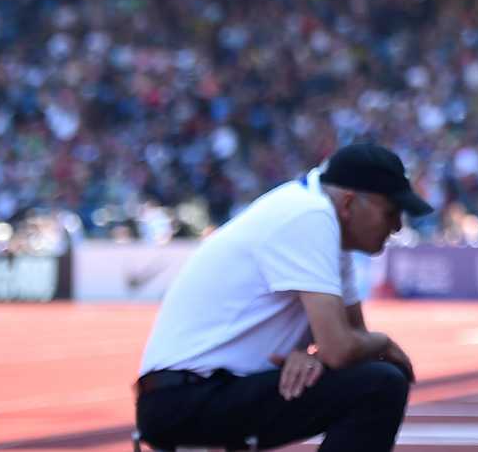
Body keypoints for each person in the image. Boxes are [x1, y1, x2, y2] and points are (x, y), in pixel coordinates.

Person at [134, 144, 431, 452]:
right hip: (186, 400)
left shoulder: (324, 218)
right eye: (391, 212)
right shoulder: (309, 216)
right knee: (380, 386)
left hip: (203, 389)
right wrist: (381, 343)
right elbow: (343, 349)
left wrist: (312, 355)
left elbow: (351, 345)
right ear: (349, 203)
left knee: (375, 377)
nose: (396, 227)